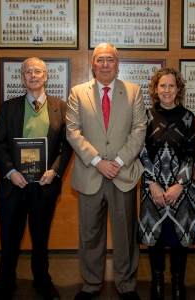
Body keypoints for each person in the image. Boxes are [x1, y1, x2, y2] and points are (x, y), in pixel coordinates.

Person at [66, 43, 147, 300]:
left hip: (123, 175)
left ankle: (126, 284)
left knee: (124, 234)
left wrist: (119, 161)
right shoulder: (78, 93)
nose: (104, 64)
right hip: (91, 173)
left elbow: (139, 130)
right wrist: (98, 161)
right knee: (90, 234)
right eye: (99, 60)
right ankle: (91, 284)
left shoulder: (133, 92)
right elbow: (73, 132)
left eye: (109, 59)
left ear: (117, 62)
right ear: (92, 63)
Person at [0, 57, 73, 300]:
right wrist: (10, 171)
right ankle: (5, 283)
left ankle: (42, 281)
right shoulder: (8, 107)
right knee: (10, 239)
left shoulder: (61, 107)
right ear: (23, 77)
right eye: (28, 72)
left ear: (46, 75)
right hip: (13, 184)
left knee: (40, 238)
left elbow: (66, 146)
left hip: (44, 185)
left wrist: (55, 171)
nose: (33, 75)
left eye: (38, 71)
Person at [137, 67, 195, 300]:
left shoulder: (187, 117)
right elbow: (141, 152)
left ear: (178, 89)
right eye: (162, 85)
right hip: (151, 188)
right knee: (154, 240)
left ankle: (178, 285)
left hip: (181, 189)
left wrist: (179, 185)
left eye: (171, 86)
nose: (167, 90)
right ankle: (156, 285)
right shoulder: (144, 115)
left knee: (178, 240)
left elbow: (190, 153)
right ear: (155, 89)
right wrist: (152, 184)